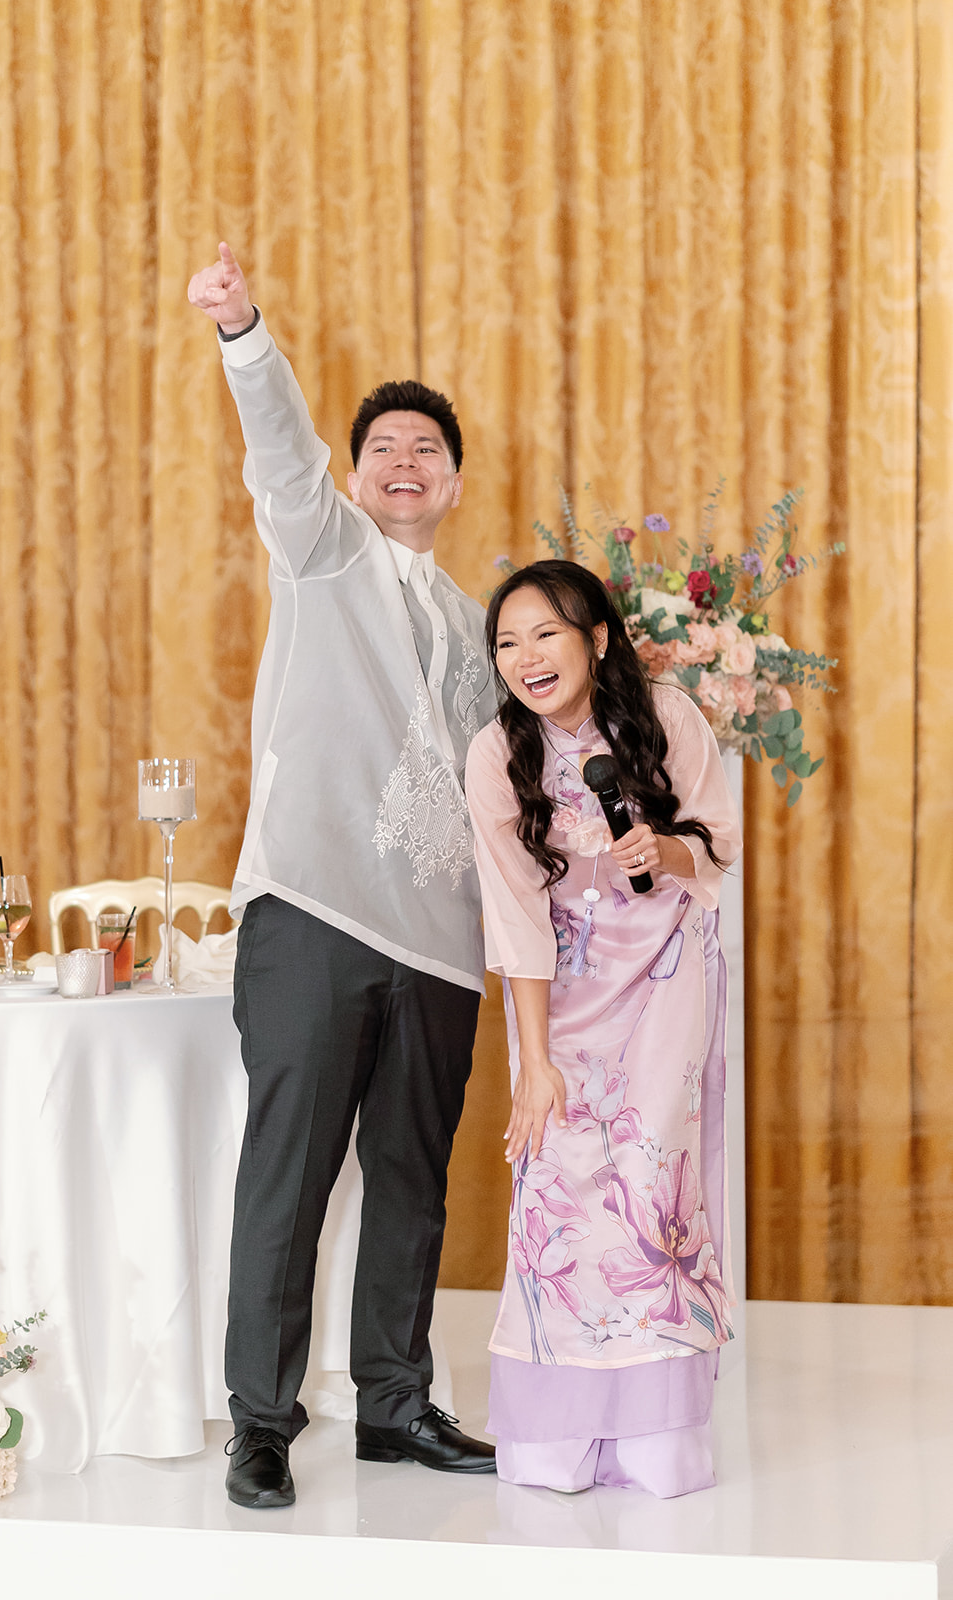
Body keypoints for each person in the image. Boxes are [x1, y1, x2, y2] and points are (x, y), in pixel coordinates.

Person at [186, 243, 499, 1508]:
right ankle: (258, 1420)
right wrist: (244, 332)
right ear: (357, 476)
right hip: (311, 913)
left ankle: (392, 1402)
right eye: (386, 449)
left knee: (412, 1183)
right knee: (292, 1171)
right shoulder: (321, 552)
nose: (406, 461)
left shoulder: (487, 623)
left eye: (428, 449)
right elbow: (279, 447)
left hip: (438, 944)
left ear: (457, 480)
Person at [464, 559, 742, 1498]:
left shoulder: (666, 717)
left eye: (545, 633)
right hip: (561, 994)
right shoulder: (495, 756)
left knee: (647, 1182)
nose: (525, 657)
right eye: (507, 641)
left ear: (596, 638)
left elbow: (714, 840)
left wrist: (660, 848)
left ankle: (654, 1440)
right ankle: (556, 1441)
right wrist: (532, 1061)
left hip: (665, 981)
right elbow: (513, 917)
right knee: (556, 1183)